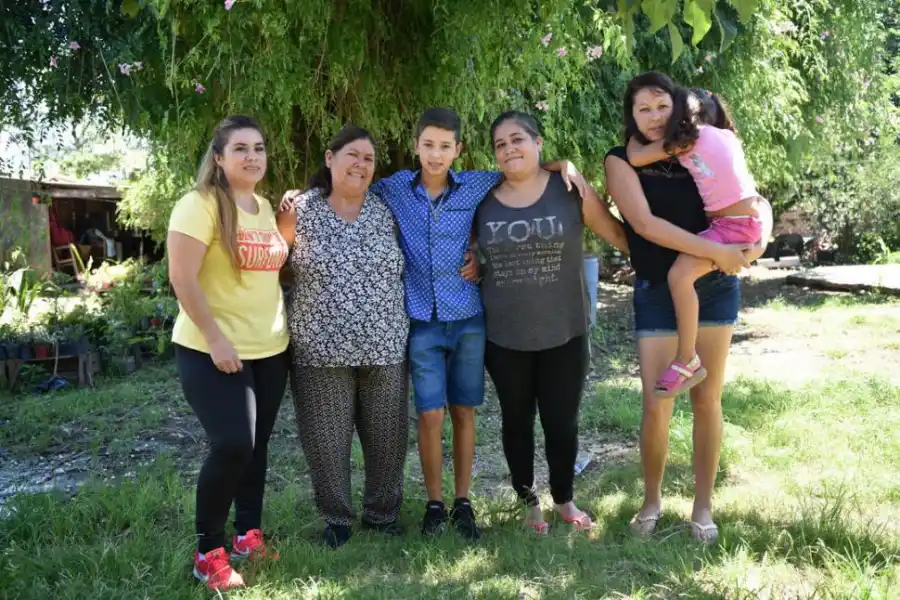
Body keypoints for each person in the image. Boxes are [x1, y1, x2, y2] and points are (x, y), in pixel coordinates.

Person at [280, 107, 582, 541]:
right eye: (428, 146)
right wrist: (299, 193)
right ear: (415, 146)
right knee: (429, 414)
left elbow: (519, 169)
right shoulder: (392, 189)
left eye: (445, 147)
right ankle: (434, 505)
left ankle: (463, 502)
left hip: (467, 319)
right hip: (420, 321)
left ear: (458, 150)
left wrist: (561, 164)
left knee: (464, 410)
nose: (436, 155)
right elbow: (344, 185)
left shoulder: (479, 183)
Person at [604, 72, 773, 544]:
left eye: (663, 106)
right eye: (644, 109)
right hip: (659, 288)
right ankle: (652, 501)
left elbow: (749, 197)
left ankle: (703, 509)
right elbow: (644, 224)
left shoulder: (695, 144)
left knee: (706, 400)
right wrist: (719, 251)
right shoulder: (621, 161)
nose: (655, 117)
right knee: (657, 403)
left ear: (677, 108)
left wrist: (749, 246)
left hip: (714, 287)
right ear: (630, 115)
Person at [474, 110, 629, 535]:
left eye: (517, 139)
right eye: (500, 144)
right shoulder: (481, 200)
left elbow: (618, 235)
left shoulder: (569, 190)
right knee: (516, 421)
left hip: (566, 328)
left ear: (538, 143)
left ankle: (564, 499)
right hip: (505, 334)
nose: (509, 149)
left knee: (562, 421)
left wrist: (672, 264)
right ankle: (528, 505)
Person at [167, 115, 288, 591]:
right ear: (218, 157)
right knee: (234, 443)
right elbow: (183, 277)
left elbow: (273, 267)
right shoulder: (199, 205)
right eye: (240, 148)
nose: (252, 156)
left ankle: (247, 535)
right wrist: (216, 338)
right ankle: (208, 551)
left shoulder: (262, 207)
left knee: (256, 447)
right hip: (211, 347)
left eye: (258, 148)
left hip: (270, 348)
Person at [276, 125, 410, 549]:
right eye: (353, 154)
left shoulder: (385, 210)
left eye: (369, 159)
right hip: (319, 351)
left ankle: (382, 514)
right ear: (330, 158)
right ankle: (337, 519)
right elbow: (275, 267)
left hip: (385, 345)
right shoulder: (299, 210)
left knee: (388, 438)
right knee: (325, 441)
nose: (361, 164)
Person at [626, 87, 763, 396]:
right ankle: (686, 357)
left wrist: (633, 135)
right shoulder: (726, 136)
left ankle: (686, 358)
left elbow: (636, 157)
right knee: (684, 272)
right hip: (741, 223)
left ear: (684, 117)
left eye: (669, 111)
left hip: (731, 227)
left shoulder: (691, 138)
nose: (662, 118)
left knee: (679, 276)